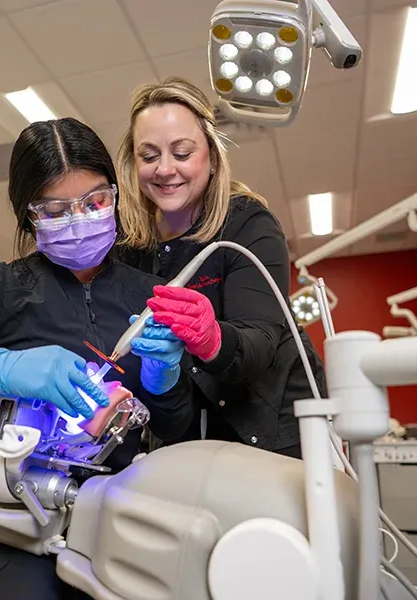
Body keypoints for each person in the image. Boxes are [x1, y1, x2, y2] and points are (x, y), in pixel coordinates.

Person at [0, 117, 194, 600]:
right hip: (3, 527)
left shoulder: (148, 296)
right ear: (29, 216)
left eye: (94, 201)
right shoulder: (0, 290)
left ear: (115, 195)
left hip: (115, 519)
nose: (78, 220)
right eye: (54, 209)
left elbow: (177, 429)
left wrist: (165, 377)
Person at [116, 76, 327, 458]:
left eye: (181, 152)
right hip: (189, 437)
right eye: (149, 156)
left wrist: (213, 339)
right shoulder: (132, 247)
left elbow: (260, 342)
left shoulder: (247, 225)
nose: (164, 169)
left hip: (275, 426)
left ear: (212, 156)